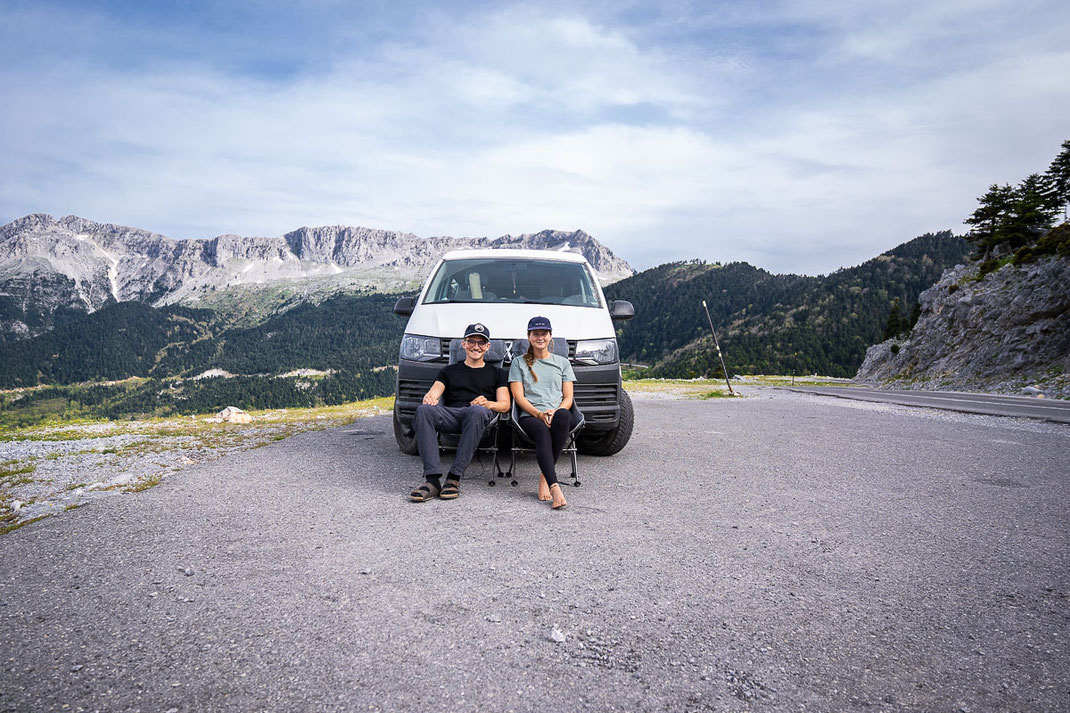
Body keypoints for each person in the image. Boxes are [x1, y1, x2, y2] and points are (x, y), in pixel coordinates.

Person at [409, 323, 510, 502]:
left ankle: (454, 478)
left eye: (481, 343)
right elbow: (435, 391)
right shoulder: (448, 371)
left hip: (479, 415)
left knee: (476, 411)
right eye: (472, 341)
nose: (476, 347)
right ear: (463, 344)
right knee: (424, 410)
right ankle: (432, 481)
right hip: (452, 414)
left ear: (487, 347)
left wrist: (488, 403)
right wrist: (430, 397)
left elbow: (505, 405)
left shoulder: (497, 373)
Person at [508, 316, 576, 509]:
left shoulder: (562, 362)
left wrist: (555, 412)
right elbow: (519, 398)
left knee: (563, 416)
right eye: (535, 334)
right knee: (542, 432)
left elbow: (568, 398)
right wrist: (539, 414)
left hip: (557, 413)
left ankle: (545, 478)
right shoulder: (518, 363)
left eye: (544, 333)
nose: (540, 337)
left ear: (550, 336)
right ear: (528, 337)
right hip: (530, 416)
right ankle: (555, 487)